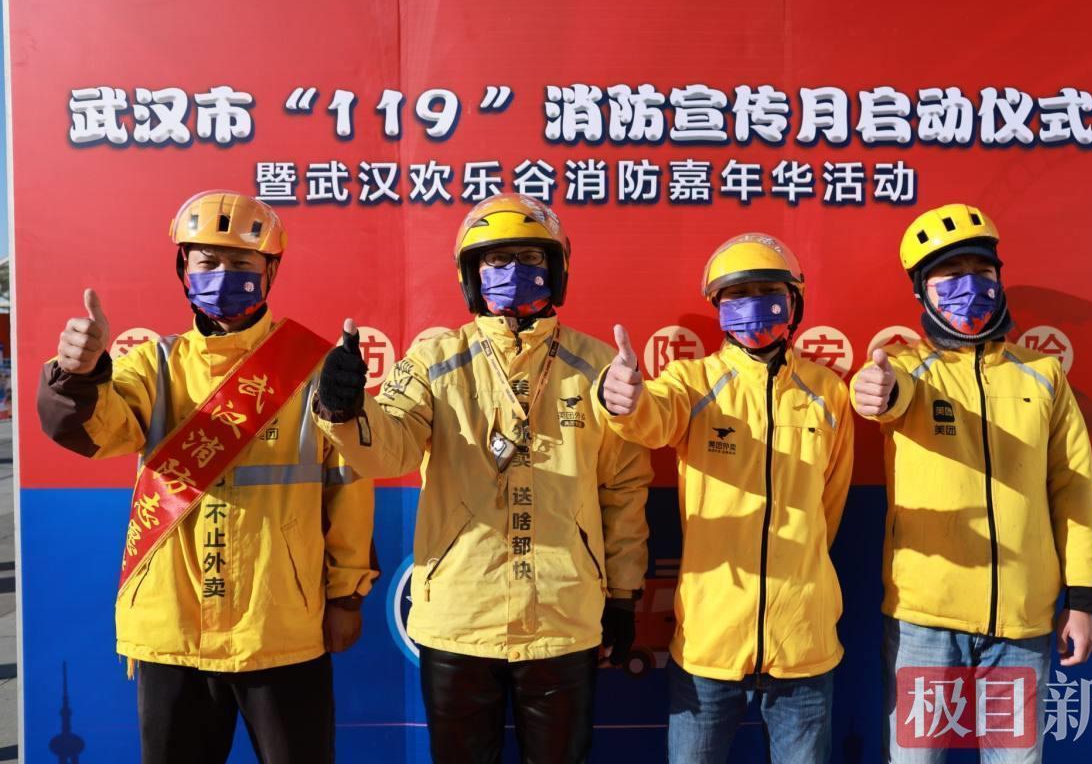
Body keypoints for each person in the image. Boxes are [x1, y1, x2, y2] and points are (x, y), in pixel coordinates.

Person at [37, 190, 377, 764]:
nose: (224, 275)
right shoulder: (154, 364)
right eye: (208, 261)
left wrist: (346, 595)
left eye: (241, 262)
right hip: (171, 627)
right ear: (183, 269)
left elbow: (348, 487)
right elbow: (102, 431)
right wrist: (80, 376)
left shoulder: (315, 369)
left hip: (280, 625)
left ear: (270, 271)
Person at [313, 193, 651, 764]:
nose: (513, 271)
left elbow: (622, 489)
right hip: (459, 618)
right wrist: (344, 410)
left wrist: (622, 594)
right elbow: (389, 447)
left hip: (564, 618)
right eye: (495, 260)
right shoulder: (435, 359)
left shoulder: (598, 367)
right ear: (470, 275)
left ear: (557, 268)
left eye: (530, 257)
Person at [850, 203, 1092, 763]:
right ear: (921, 292)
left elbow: (1073, 488)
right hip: (925, 620)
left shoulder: (1043, 374)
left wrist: (1082, 601)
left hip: (1022, 623)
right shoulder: (908, 368)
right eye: (949, 275)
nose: (969, 286)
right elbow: (883, 395)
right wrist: (874, 392)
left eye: (981, 271)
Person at [599, 233, 853, 764]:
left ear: (794, 302)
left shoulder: (829, 392)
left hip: (804, 644)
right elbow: (651, 418)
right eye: (737, 295)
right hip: (709, 645)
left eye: (767, 292)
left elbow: (830, 504)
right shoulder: (693, 382)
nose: (753, 305)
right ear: (718, 308)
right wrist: (622, 399)